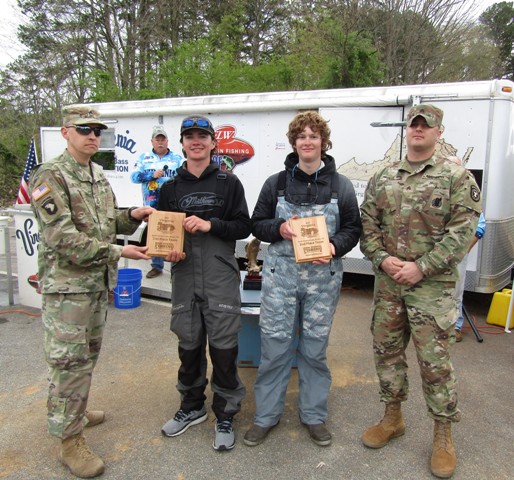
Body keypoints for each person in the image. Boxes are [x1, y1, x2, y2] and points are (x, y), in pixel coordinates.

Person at [29, 107, 153, 478]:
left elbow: (107, 218)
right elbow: (61, 237)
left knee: (87, 357)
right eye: (85, 129)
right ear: (66, 132)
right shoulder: (50, 175)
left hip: (95, 285)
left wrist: (133, 214)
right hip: (67, 290)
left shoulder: (96, 173)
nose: (93, 136)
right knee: (68, 363)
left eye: (98, 130)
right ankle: (70, 442)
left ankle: (76, 411)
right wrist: (119, 251)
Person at [359, 104, 481, 478]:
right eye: (413, 124)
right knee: (387, 352)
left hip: (432, 289)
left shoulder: (457, 178)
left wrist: (421, 267)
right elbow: (367, 224)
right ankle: (393, 417)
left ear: (438, 132)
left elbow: (461, 234)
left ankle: (443, 434)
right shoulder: (383, 177)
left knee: (435, 364)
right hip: (389, 286)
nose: (417, 129)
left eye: (425, 125)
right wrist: (382, 259)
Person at [244, 111, 362, 448]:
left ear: (324, 142)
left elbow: (353, 228)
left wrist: (334, 246)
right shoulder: (276, 183)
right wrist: (279, 229)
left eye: (314, 136)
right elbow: (257, 223)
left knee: (313, 351)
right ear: (294, 142)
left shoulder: (342, 186)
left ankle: (313, 416)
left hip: (322, 282)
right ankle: (266, 417)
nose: (307, 141)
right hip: (281, 280)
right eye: (301, 136)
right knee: (276, 349)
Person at [158, 114, 251, 451]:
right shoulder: (169, 188)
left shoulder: (228, 183)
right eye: (189, 136)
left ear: (213, 143)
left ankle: (225, 413)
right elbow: (162, 234)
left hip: (218, 276)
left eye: (202, 136)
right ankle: (191, 406)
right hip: (184, 276)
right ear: (181, 144)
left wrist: (212, 225)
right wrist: (168, 252)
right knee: (189, 343)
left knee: (224, 347)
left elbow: (244, 226)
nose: (196, 141)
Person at [131, 125, 183, 278]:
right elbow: (134, 177)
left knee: (175, 233)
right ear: (152, 141)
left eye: (163, 139)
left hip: (173, 203)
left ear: (167, 141)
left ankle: (177, 267)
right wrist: (151, 176)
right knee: (156, 235)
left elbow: (186, 178)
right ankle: (157, 266)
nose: (160, 142)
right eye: (157, 139)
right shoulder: (143, 158)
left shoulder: (178, 159)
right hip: (152, 203)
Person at [446, 158, 487, 342]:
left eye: (454, 165)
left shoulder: (467, 192)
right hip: (434, 255)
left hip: (457, 255)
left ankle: (455, 327)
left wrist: (463, 251)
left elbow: (480, 227)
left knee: (456, 292)